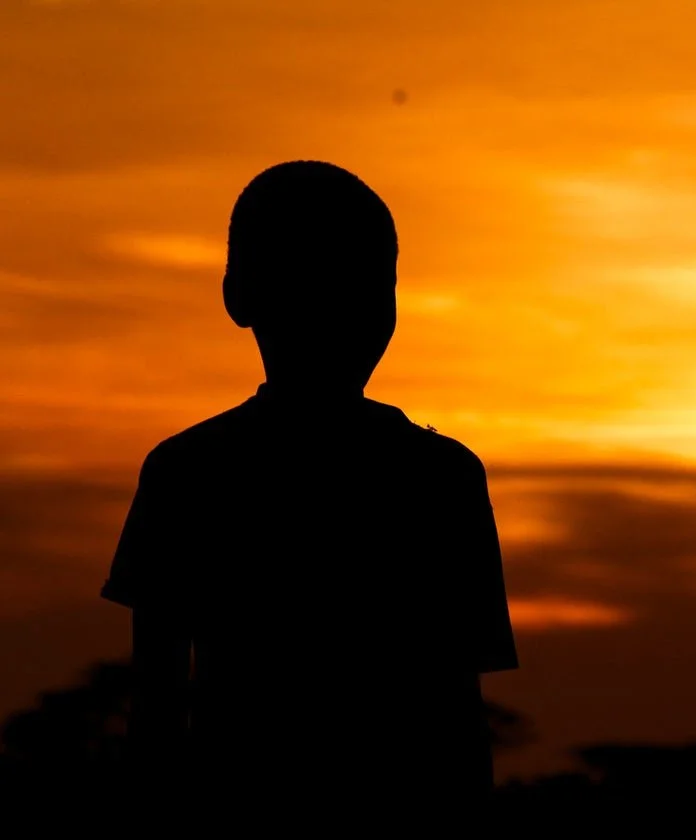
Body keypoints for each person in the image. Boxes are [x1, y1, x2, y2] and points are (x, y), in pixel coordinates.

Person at [101, 161, 517, 823]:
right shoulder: (439, 477)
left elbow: (155, 710)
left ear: (237, 295)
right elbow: (459, 725)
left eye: (368, 284)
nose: (344, 310)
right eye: (320, 284)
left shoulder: (190, 468)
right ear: (240, 297)